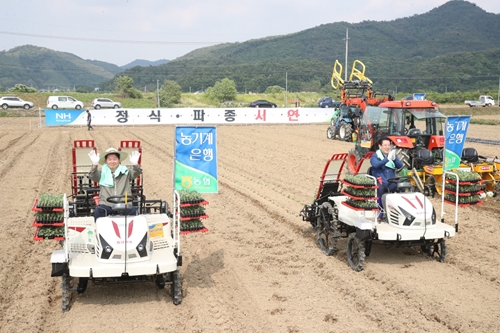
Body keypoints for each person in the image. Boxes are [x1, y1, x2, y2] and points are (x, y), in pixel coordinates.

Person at [88, 147, 142, 221]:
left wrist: (135, 164)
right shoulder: (101, 172)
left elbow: (136, 172)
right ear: (106, 161)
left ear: (119, 160)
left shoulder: (125, 171)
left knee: (133, 213)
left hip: (124, 203)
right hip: (107, 205)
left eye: (115, 159)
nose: (112, 161)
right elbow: (92, 175)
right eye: (109, 159)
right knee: (98, 212)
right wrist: (94, 164)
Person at [370, 137, 403, 219]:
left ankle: (400, 210)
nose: (387, 147)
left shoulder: (392, 155)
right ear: (380, 146)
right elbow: (376, 165)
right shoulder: (375, 156)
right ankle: (380, 211)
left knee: (402, 186)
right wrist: (386, 160)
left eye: (389, 145)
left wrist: (395, 160)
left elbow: (400, 165)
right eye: (385, 145)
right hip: (380, 182)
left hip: (390, 182)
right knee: (380, 189)